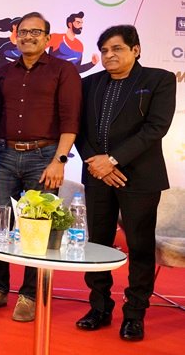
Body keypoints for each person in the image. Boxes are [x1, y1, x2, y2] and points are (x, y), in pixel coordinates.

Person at [74, 25, 176, 342]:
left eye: (117, 49)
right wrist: (97, 163)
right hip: (97, 177)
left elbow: (155, 128)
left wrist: (113, 160)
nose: (109, 55)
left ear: (136, 49)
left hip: (140, 178)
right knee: (97, 246)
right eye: (104, 50)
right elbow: (76, 129)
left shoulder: (159, 80)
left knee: (140, 247)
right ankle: (99, 308)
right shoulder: (88, 84)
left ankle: (134, 314)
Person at [0, 12, 81, 322]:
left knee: (37, 228)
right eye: (23, 32)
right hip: (6, 156)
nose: (28, 37)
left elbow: (70, 120)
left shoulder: (63, 71)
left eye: (35, 32)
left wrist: (59, 161)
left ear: (48, 39)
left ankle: (28, 294)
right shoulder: (5, 72)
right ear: (16, 36)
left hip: (44, 157)